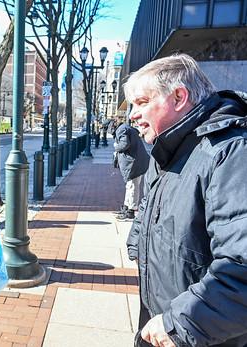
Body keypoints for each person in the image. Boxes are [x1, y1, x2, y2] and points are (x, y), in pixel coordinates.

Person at [125, 54, 247, 347]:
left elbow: (240, 269)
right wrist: (138, 241)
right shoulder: (168, 145)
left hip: (198, 334)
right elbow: (153, 205)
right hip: (166, 324)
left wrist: (177, 324)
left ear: (179, 97)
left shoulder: (231, 153)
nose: (132, 114)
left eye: (142, 102)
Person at [113, 121, 149, 220]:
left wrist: (116, 147)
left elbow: (124, 144)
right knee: (130, 186)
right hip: (137, 161)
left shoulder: (122, 129)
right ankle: (126, 207)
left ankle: (131, 210)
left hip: (134, 163)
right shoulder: (127, 128)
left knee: (133, 186)